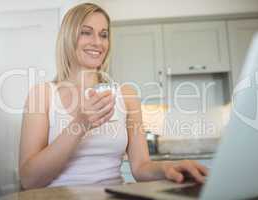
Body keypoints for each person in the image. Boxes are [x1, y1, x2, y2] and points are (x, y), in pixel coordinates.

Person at [19, 3, 208, 189]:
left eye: (103, 35)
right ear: (68, 37)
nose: (97, 42)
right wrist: (81, 123)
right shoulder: (42, 95)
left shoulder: (126, 96)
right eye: (86, 32)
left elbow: (141, 167)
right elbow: (30, 180)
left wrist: (166, 167)